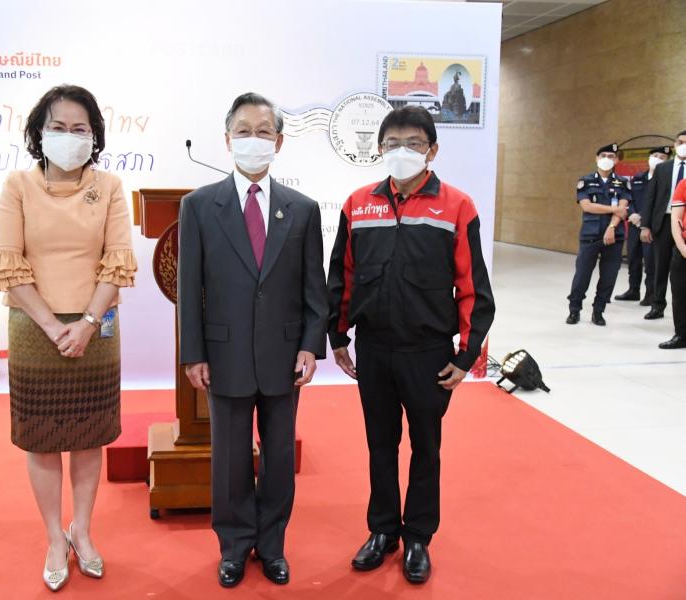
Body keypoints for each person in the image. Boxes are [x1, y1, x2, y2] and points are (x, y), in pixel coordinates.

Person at [327, 106, 494, 585]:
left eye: (414, 143)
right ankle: (382, 530)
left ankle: (418, 535)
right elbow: (342, 275)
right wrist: (338, 335)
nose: (402, 151)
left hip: (428, 353)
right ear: (380, 149)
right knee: (380, 444)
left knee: (426, 446)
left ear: (432, 150)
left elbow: (474, 288)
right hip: (374, 349)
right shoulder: (358, 203)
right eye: (393, 143)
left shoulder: (457, 206)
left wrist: (466, 357)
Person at [0, 85, 137, 591]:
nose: (69, 136)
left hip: (96, 327)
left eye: (79, 129)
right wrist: (53, 326)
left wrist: (88, 323)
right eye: (58, 127)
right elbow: (8, 262)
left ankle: (82, 531)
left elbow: (118, 260)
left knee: (89, 436)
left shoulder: (109, 187)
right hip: (35, 328)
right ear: (39, 132)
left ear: (94, 136)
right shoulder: (17, 186)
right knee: (42, 438)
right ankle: (54, 537)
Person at [177, 92, 328, 588]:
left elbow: (314, 289)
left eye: (264, 132)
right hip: (223, 355)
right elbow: (189, 288)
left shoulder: (303, 210)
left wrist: (310, 345)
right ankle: (235, 546)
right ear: (227, 140)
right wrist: (193, 354)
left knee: (279, 457)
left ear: (279, 142)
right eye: (243, 131)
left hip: (285, 356)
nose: (253, 140)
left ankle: (273, 544)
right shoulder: (199, 206)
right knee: (230, 459)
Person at [566, 143, 631, 326]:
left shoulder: (623, 182)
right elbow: (587, 206)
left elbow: (623, 210)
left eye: (611, 156)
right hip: (590, 235)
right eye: (603, 156)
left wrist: (612, 227)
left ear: (616, 160)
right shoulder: (585, 181)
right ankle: (574, 309)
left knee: (609, 276)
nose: (607, 159)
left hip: (614, 236)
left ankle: (598, 311)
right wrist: (613, 209)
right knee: (582, 275)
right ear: (596, 158)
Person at [614, 146, 670, 304]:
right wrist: (632, 214)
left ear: (667, 161)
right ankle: (633, 290)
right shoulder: (638, 177)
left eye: (662, 157)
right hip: (634, 224)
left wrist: (644, 220)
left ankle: (651, 294)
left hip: (652, 227)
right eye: (655, 155)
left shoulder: (665, 180)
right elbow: (629, 198)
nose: (657, 159)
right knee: (633, 258)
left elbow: (661, 204)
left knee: (651, 261)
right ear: (649, 157)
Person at [641, 130, 686, 320]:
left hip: (684, 223)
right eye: (680, 142)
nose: (683, 146)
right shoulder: (662, 168)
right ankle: (657, 305)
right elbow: (650, 197)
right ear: (674, 145)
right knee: (660, 266)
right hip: (664, 222)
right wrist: (645, 225)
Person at [660, 178, 686, 348]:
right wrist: (682, 247)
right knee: (680, 293)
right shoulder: (684, 184)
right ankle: (681, 335)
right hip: (683, 247)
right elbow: (675, 218)